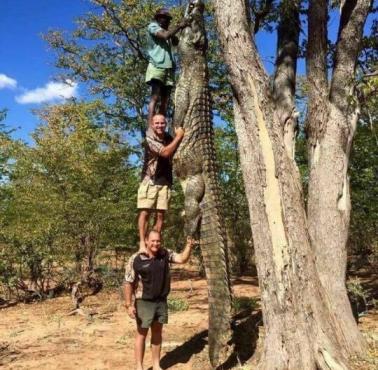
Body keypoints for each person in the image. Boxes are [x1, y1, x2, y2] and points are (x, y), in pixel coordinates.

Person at [124, 230, 196, 370]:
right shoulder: (136, 258)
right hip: (144, 302)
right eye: (153, 241)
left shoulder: (165, 253)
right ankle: (139, 367)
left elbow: (182, 259)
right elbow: (128, 282)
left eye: (158, 241)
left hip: (160, 301)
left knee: (157, 333)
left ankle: (156, 365)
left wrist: (189, 246)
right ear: (146, 241)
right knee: (141, 333)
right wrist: (128, 305)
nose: (156, 244)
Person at [137, 114, 184, 251]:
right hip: (150, 181)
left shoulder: (169, 138)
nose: (159, 126)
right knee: (145, 213)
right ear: (152, 125)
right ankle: (142, 243)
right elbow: (164, 153)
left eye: (162, 123)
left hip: (165, 181)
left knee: (160, 216)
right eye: (157, 123)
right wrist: (179, 136)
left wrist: (177, 136)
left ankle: (153, 244)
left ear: (166, 124)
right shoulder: (149, 139)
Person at [146, 8, 190, 126]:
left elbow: (176, 42)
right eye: (162, 18)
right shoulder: (153, 27)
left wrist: (179, 29)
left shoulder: (167, 31)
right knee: (155, 97)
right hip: (157, 65)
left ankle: (161, 127)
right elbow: (164, 36)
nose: (164, 20)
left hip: (169, 68)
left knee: (165, 101)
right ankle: (150, 127)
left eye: (166, 19)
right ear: (157, 18)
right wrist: (179, 26)